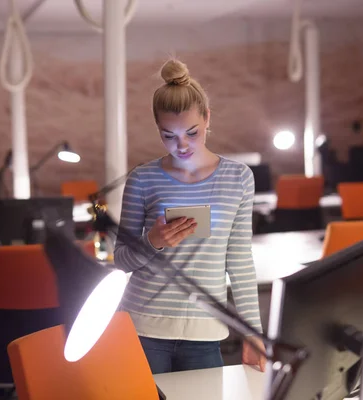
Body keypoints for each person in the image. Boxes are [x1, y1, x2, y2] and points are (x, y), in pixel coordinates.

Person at [113, 59, 266, 374]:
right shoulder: (143, 178)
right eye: (168, 135)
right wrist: (152, 241)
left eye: (191, 133)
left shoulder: (238, 177)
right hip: (142, 327)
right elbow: (120, 261)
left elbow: (239, 261)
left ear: (207, 118)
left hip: (206, 331)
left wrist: (252, 331)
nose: (180, 145)